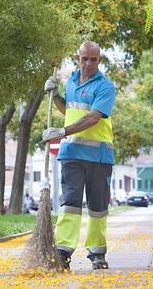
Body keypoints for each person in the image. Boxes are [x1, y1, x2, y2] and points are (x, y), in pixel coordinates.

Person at [42, 41, 115, 270]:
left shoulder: (105, 86)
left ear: (99, 60)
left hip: (98, 155)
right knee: (70, 203)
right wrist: (54, 96)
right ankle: (63, 251)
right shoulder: (71, 81)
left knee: (97, 206)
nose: (88, 63)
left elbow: (93, 117)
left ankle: (97, 253)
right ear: (78, 58)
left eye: (93, 59)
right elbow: (69, 110)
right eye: (85, 59)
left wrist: (62, 131)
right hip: (72, 152)